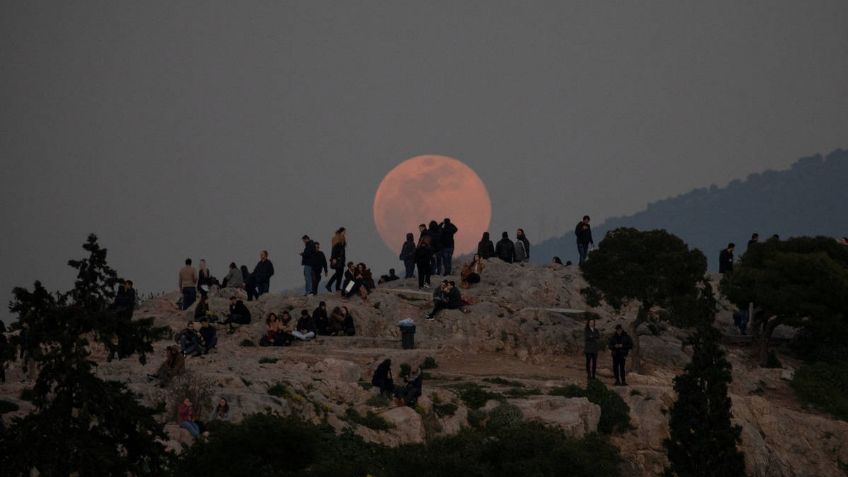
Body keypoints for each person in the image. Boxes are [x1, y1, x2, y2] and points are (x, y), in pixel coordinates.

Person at [327, 227, 347, 292]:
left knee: (340, 274)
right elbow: (334, 250)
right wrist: (334, 258)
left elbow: (342, 249)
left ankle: (337, 287)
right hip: (337, 259)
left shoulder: (342, 238)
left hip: (341, 259)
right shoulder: (336, 238)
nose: (345, 233)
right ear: (341, 231)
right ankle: (329, 285)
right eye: (344, 232)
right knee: (338, 273)